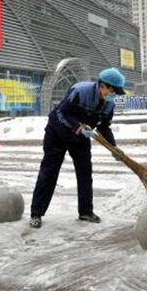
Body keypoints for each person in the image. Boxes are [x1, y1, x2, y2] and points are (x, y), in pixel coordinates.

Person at [29, 67, 126, 228]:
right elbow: (60, 113)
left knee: (85, 173)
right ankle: (36, 213)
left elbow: (104, 128)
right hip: (57, 133)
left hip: (80, 138)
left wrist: (113, 147)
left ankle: (85, 212)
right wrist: (77, 126)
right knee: (49, 172)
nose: (113, 95)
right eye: (113, 91)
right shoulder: (80, 90)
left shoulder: (109, 105)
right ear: (102, 86)